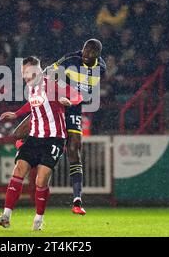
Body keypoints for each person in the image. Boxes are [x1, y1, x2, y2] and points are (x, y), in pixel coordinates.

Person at [12, 39, 106, 215]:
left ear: (97, 55)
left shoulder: (101, 68)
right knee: (16, 134)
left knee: (74, 150)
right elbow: (48, 72)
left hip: (72, 107)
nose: (86, 54)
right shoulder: (71, 59)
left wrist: (71, 95)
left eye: (90, 53)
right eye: (85, 50)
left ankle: (77, 200)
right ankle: (29, 150)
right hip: (52, 103)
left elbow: (84, 92)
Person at [0, 56, 83, 230]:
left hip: (54, 138)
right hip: (34, 137)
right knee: (19, 170)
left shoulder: (53, 83)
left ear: (38, 71)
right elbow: (32, 105)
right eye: (23, 73)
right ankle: (6, 216)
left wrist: (69, 101)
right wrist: (16, 113)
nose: (25, 76)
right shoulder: (31, 88)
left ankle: (38, 220)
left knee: (41, 179)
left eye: (27, 72)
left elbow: (77, 95)